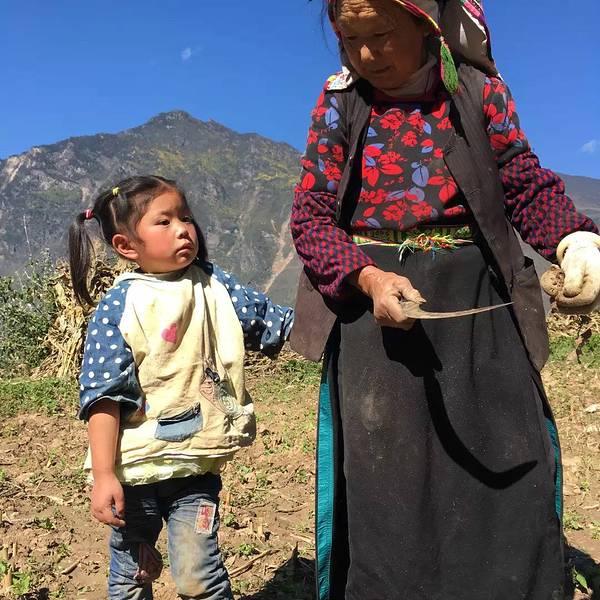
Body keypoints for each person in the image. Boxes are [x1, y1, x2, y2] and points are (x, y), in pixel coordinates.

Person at [289, 1, 600, 598]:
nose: (366, 54)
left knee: (506, 454)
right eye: (349, 39)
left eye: (381, 34)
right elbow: (311, 218)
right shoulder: (340, 103)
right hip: (377, 316)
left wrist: (573, 240)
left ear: (425, 23)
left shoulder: (477, 91)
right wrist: (368, 279)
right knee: (390, 482)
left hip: (476, 301)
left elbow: (522, 182)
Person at [68, 175, 294, 600]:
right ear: (126, 246)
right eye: (165, 221)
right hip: (134, 472)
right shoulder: (121, 304)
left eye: (186, 218)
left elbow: (270, 322)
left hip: (195, 468)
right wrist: (103, 475)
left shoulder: (213, 285)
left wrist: (344, 322)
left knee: (198, 577)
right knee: (131, 576)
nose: (183, 229)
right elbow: (103, 395)